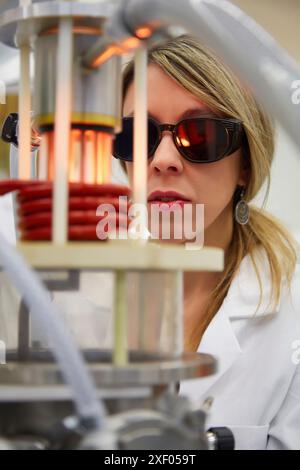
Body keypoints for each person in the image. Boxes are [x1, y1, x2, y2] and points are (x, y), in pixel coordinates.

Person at [112, 35, 300, 450]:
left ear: (246, 166)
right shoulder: (80, 293)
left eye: (200, 134)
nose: (162, 159)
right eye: (138, 136)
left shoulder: (293, 313)